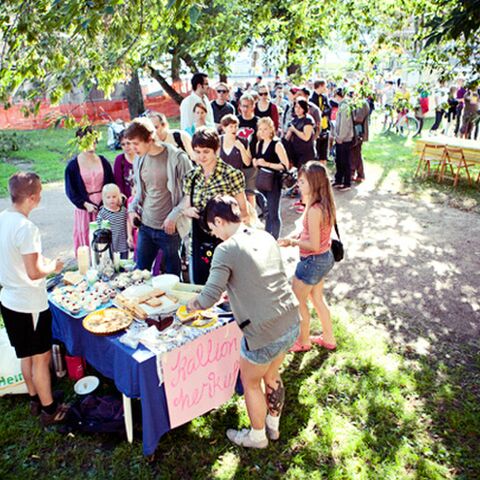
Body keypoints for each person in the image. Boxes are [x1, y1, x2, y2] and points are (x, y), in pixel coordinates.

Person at [186, 195, 300, 448]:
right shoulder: (264, 235)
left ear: (218, 220)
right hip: (291, 320)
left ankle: (257, 436)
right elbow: (264, 277)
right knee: (272, 373)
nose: (214, 234)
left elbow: (208, 297)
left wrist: (187, 305)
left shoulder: (225, 249)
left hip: (263, 331)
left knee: (250, 382)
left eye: (212, 228)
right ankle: (273, 426)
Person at [0, 172, 68, 426]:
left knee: (25, 355)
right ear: (31, 197)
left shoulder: (3, 218)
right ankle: (50, 409)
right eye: (39, 193)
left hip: (8, 299)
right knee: (40, 358)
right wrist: (54, 266)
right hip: (29, 303)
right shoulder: (27, 228)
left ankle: (35, 398)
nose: (41, 196)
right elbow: (33, 271)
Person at [278, 162, 336, 352]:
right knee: (317, 299)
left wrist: (291, 243)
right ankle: (329, 338)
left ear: (314, 183)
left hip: (312, 262)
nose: (298, 185)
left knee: (298, 303)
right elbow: (312, 233)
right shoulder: (323, 203)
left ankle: (303, 342)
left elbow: (313, 244)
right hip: (324, 258)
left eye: (302, 182)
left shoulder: (314, 210)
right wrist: (296, 236)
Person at [124, 118, 192, 275]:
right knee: (140, 274)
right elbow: (141, 192)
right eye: (130, 144)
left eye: (136, 143)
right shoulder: (139, 159)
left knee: (172, 278)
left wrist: (174, 215)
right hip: (146, 227)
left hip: (169, 229)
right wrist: (133, 208)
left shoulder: (177, 158)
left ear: (149, 139)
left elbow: (191, 192)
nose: (132, 148)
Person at [182, 128, 249, 284]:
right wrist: (188, 211)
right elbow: (186, 206)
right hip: (200, 239)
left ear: (216, 150)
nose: (201, 156)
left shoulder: (231, 174)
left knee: (228, 286)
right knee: (202, 284)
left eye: (206, 151)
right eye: (197, 152)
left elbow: (243, 210)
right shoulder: (191, 176)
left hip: (226, 239)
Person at [65, 126, 115, 253]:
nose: (91, 144)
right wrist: (85, 204)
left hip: (104, 206)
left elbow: (111, 183)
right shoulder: (72, 166)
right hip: (85, 208)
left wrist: (107, 202)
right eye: (87, 141)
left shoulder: (103, 161)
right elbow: (71, 191)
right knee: (87, 239)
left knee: (106, 239)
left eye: (94, 140)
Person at [253, 117, 289, 239]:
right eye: (260, 129)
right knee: (266, 212)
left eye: (265, 129)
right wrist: (256, 162)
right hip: (262, 181)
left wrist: (267, 164)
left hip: (274, 181)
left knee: (273, 212)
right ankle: (268, 238)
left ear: (271, 129)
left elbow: (285, 166)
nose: (262, 132)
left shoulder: (277, 144)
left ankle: (275, 239)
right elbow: (258, 160)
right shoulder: (259, 144)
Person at [97, 184, 130, 259]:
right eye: (108, 197)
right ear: (104, 199)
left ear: (118, 197)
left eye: (114, 197)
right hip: (110, 246)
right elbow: (99, 229)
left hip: (123, 245)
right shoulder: (103, 213)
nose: (111, 199)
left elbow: (128, 224)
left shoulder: (123, 211)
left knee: (123, 265)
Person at [331, 88, 354, 191]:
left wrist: (340, 137)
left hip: (344, 139)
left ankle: (346, 182)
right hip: (340, 137)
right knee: (339, 160)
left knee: (344, 161)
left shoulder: (345, 107)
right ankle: (339, 180)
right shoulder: (342, 106)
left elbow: (345, 124)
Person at [284, 97, 316, 169]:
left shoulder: (308, 120)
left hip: (306, 153)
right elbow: (287, 137)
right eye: (296, 107)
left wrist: (294, 130)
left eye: (300, 107)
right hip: (295, 152)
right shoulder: (294, 120)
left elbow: (306, 137)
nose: (297, 109)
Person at [310, 79, 331, 164]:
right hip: (317, 128)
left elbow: (329, 108)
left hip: (325, 126)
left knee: (324, 152)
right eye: (324, 86)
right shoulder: (311, 99)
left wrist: (324, 112)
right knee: (316, 151)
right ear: (320, 86)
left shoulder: (324, 97)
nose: (325, 88)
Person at [350, 97, 370, 182]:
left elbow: (358, 118)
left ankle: (360, 174)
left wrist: (351, 112)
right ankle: (352, 172)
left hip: (358, 133)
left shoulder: (362, 103)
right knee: (353, 153)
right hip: (356, 132)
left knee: (356, 154)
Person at [113, 131, 135, 198]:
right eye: (123, 144)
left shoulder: (141, 157)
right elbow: (119, 182)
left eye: (128, 143)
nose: (126, 146)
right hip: (127, 199)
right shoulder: (120, 159)